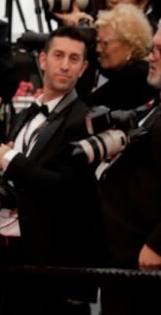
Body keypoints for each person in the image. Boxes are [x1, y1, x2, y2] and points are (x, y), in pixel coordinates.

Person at [0, 26, 104, 315]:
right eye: (58, 55)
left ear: (84, 68)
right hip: (9, 252)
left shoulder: (84, 119)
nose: (65, 65)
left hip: (54, 260)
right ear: (42, 60)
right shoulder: (25, 115)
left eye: (74, 59)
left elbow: (65, 187)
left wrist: (10, 159)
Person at [97, 24, 161, 315]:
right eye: (152, 49)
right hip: (126, 255)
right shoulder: (154, 105)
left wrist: (158, 244)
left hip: (147, 258)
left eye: (159, 51)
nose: (150, 57)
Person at [86, 3, 156, 110]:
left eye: (105, 43)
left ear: (129, 46)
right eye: (98, 42)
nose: (98, 49)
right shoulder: (117, 69)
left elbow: (85, 107)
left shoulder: (137, 76)